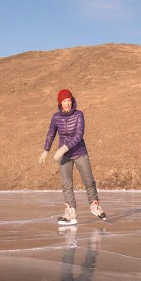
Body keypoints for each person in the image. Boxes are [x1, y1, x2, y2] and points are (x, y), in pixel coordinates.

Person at [39, 89, 106, 225]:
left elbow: (79, 135)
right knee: (66, 184)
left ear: (72, 100)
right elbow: (51, 134)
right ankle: (71, 212)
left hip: (79, 152)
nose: (67, 103)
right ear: (60, 103)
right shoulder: (56, 117)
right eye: (64, 101)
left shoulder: (79, 115)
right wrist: (46, 151)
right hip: (65, 156)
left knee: (89, 181)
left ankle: (94, 205)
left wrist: (63, 148)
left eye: (69, 100)